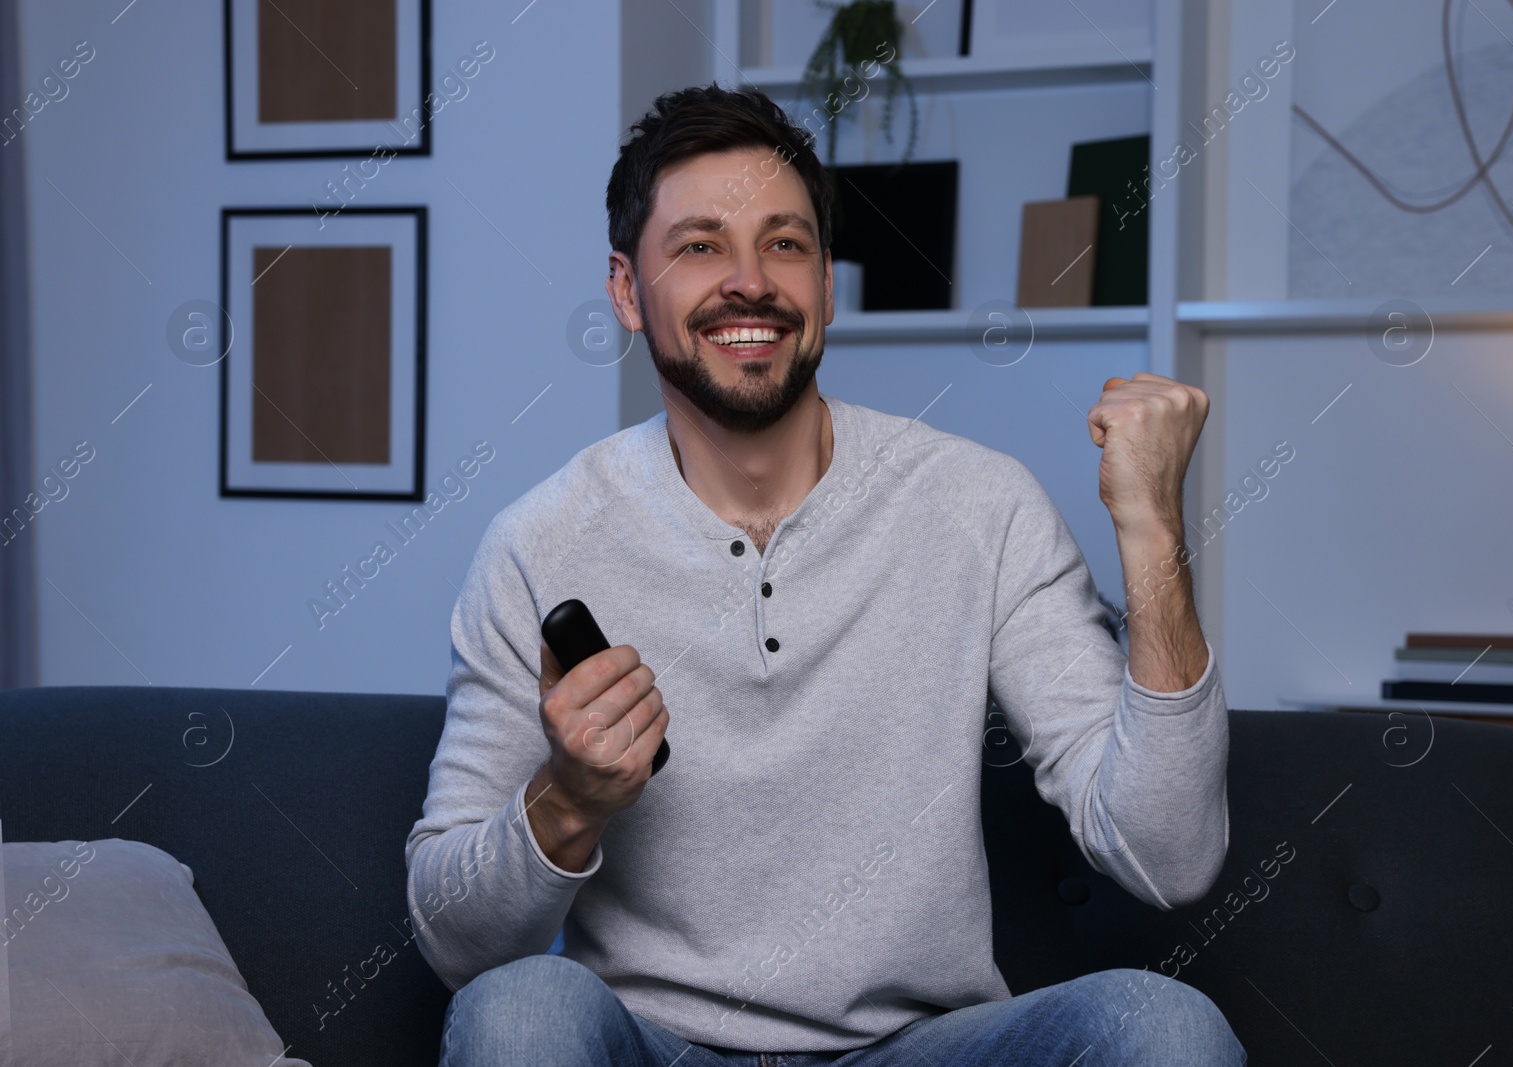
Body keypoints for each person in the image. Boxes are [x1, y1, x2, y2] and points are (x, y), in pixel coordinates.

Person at [405, 83, 1245, 1067]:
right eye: (699, 245)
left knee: (1165, 1027)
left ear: (827, 288)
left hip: (916, 1048)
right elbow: (454, 940)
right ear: (628, 290)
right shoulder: (538, 540)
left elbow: (1169, 856)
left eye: (786, 243)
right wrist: (567, 800)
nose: (750, 280)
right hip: (656, 1048)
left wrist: (1151, 529)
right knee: (520, 1009)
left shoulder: (981, 502)